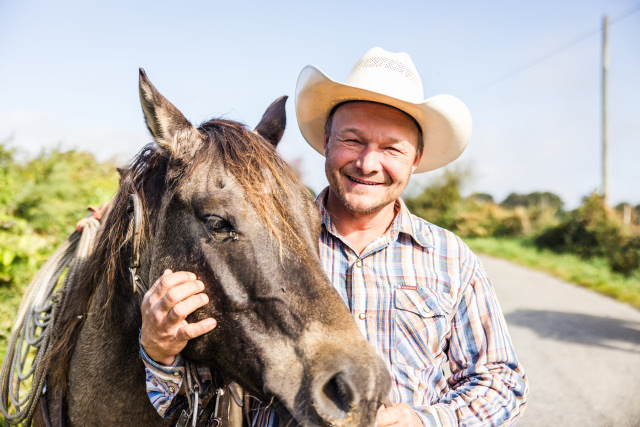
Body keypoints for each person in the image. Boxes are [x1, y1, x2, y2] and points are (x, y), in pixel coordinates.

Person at [139, 47, 529, 426]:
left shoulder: (449, 257)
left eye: (392, 148)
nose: (368, 163)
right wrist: (160, 353)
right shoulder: (257, 242)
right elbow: (192, 401)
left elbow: (502, 383)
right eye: (353, 140)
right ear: (327, 142)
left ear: (416, 159)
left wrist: (426, 420)